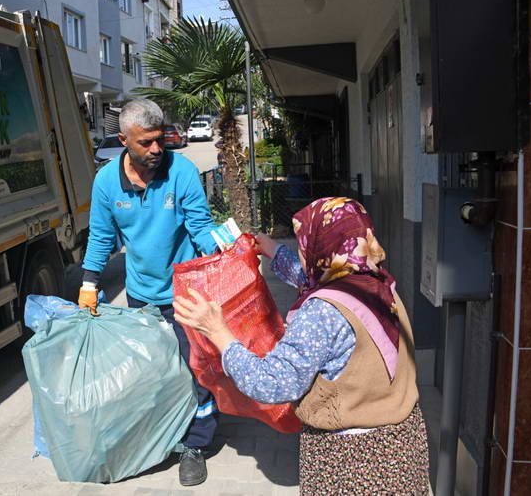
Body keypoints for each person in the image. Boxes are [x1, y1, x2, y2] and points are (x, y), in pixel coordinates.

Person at [173, 197, 430, 494]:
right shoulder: (377, 284)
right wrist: (271, 249)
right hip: (401, 448)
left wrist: (218, 332)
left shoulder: (322, 312)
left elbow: (272, 384)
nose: (302, 250)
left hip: (353, 462)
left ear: (322, 245)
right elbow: (309, 279)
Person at [78, 99, 219, 486]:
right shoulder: (107, 182)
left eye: (160, 140)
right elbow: (102, 237)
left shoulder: (182, 172)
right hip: (140, 294)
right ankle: (163, 439)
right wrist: (89, 284)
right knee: (155, 373)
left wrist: (224, 257)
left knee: (196, 370)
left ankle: (196, 445)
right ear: (124, 140)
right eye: (146, 143)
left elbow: (200, 226)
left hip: (187, 292)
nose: (157, 149)